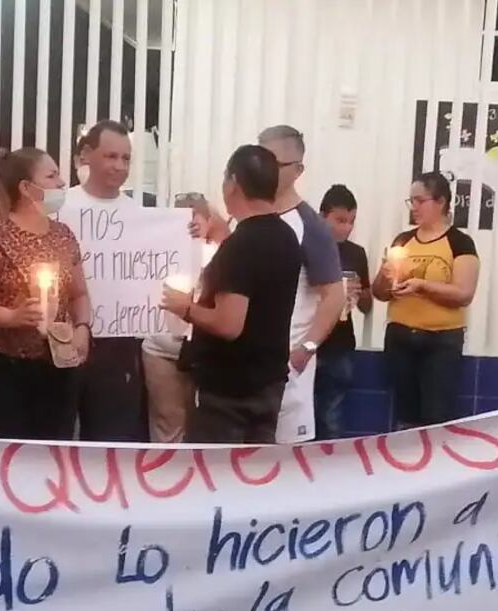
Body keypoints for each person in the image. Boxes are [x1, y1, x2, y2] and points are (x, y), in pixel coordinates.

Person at [0, 147, 92, 440]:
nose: (61, 183)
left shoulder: (63, 234)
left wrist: (82, 328)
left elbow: (79, 294)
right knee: (6, 455)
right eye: (51, 176)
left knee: (53, 453)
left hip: (57, 366)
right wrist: (11, 317)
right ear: (26, 188)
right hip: (2, 368)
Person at [163, 145, 302, 443]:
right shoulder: (287, 237)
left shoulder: (240, 245)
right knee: (257, 468)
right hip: (269, 381)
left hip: (229, 392)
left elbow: (229, 324)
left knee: (215, 469)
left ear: (234, 183)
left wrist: (185, 307)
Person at [258, 125, 346, 443]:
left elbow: (334, 295)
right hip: (245, 370)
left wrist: (306, 348)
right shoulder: (248, 217)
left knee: (282, 458)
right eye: (259, 160)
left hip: (287, 370)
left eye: (274, 163)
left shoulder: (310, 226)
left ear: (297, 170)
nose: (263, 171)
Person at [371, 172, 479, 428]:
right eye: (411, 201)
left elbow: (464, 294)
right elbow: (380, 292)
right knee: (405, 414)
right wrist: (385, 276)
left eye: (420, 201)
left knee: (436, 415)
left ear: (440, 202)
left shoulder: (460, 242)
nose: (414, 207)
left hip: (440, 341)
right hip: (400, 336)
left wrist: (422, 286)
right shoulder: (403, 241)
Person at [65, 120, 149, 442]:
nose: (120, 166)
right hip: (64, 336)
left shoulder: (139, 215)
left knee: (110, 439)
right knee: (56, 436)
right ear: (87, 154)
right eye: (111, 156)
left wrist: (190, 232)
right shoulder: (60, 207)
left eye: (126, 158)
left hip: (118, 343)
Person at [143, 193, 216, 443]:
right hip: (160, 348)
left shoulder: (219, 254)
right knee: (167, 421)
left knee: (198, 421)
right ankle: (164, 463)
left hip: (200, 350)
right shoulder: (157, 251)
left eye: (196, 218)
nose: (190, 224)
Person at [314, 184, 371, 439]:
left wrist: (361, 293)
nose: (346, 228)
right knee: (299, 416)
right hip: (308, 340)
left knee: (331, 416)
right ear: (322, 216)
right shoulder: (306, 249)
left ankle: (330, 461)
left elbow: (367, 307)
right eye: (340, 220)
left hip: (341, 344)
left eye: (351, 221)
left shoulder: (356, 253)